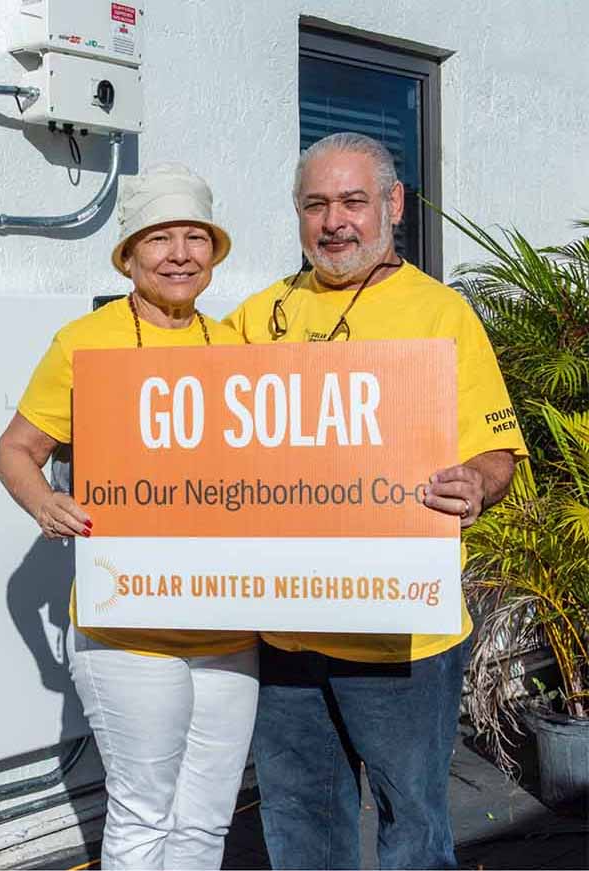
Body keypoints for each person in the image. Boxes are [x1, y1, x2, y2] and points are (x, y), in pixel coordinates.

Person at [225, 132, 528, 870]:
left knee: (413, 823)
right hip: (285, 627)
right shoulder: (256, 316)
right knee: (301, 820)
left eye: (353, 201)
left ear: (392, 205)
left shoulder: (441, 315)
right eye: (316, 204)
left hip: (400, 640)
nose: (335, 222)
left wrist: (477, 483)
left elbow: (497, 451)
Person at [0, 164, 258, 870]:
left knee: (205, 822)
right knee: (144, 811)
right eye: (160, 238)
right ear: (130, 256)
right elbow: (17, 449)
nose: (179, 254)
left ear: (214, 250)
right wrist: (43, 501)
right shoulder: (85, 341)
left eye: (195, 237)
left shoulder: (239, 349)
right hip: (127, 624)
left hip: (229, 624)